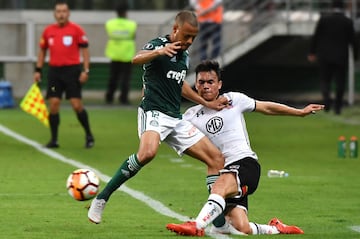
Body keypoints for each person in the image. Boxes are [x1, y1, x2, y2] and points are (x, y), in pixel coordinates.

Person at [87, 10, 229, 224]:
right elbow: (136, 59)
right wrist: (159, 52)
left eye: (193, 38)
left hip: (175, 118)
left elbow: (180, 84)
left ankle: (218, 224)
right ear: (175, 29)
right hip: (153, 112)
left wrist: (207, 103)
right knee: (147, 153)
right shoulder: (158, 45)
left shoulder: (185, 55)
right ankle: (102, 198)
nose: (190, 41)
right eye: (186, 36)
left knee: (216, 158)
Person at [166, 60, 325, 236]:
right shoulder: (191, 115)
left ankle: (197, 225)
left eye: (210, 82)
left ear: (219, 84)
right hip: (224, 170)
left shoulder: (234, 99)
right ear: (195, 85)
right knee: (241, 227)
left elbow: (266, 107)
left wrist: (299, 112)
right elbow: (175, 132)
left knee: (220, 186)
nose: (205, 86)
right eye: (201, 82)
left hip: (245, 164)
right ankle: (275, 228)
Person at [33, 2, 94, 149]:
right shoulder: (48, 31)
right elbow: (42, 51)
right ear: (54, 14)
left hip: (72, 72)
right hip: (54, 72)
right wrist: (38, 70)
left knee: (76, 105)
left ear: (68, 13)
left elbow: (85, 51)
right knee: (53, 105)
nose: (61, 14)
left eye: (64, 11)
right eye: (58, 11)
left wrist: (86, 71)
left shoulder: (76, 30)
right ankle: (54, 139)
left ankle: (88, 134)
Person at [308, 0, 358, 115]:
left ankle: (327, 102)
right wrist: (355, 57)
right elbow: (353, 41)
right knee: (340, 82)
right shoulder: (347, 22)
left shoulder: (324, 20)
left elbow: (315, 37)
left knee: (325, 80)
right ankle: (338, 107)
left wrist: (312, 52)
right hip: (341, 57)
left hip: (324, 56)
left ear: (331, 7)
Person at [104, 1, 137, 105]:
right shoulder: (132, 24)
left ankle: (109, 97)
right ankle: (123, 98)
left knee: (113, 77)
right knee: (125, 79)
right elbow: (133, 36)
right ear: (126, 12)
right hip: (127, 54)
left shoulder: (110, 23)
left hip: (114, 53)